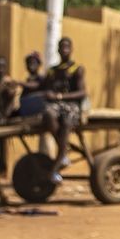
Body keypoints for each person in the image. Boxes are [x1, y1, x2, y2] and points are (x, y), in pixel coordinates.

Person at [41, 37, 87, 183]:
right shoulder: (52, 71)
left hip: (71, 105)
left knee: (67, 122)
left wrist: (60, 96)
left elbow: (82, 92)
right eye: (62, 47)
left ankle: (57, 163)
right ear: (58, 50)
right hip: (55, 105)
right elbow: (43, 87)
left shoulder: (77, 69)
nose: (64, 49)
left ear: (71, 49)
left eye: (67, 47)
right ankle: (63, 150)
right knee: (48, 114)